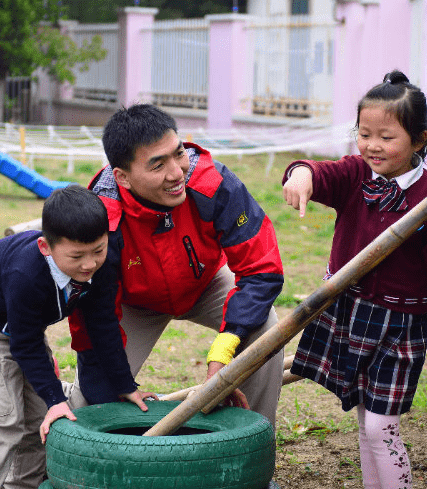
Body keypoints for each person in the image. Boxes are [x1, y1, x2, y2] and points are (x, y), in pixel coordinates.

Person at [281, 70, 427, 488]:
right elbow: (317, 171)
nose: (372, 146)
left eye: (386, 136)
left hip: (398, 327)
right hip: (348, 312)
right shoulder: (354, 173)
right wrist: (301, 174)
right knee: (366, 422)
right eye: (364, 134)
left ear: (419, 140)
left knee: (383, 427)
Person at [69, 104, 285, 426]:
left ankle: (252, 440)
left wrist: (225, 350)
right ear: (123, 177)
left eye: (178, 153)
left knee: (265, 329)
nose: (176, 173)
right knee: (91, 398)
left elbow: (261, 269)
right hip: (133, 302)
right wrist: (111, 387)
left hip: (206, 282)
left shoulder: (212, 183)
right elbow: (92, 312)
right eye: (157, 165)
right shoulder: (103, 216)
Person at [0, 185, 153, 489]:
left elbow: (103, 325)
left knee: (39, 418)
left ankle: (21, 484)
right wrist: (56, 398)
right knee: (4, 419)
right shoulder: (26, 274)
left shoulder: (101, 263)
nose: (89, 264)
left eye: (97, 250)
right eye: (76, 256)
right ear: (46, 247)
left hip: (24, 327)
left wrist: (125, 385)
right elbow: (25, 343)